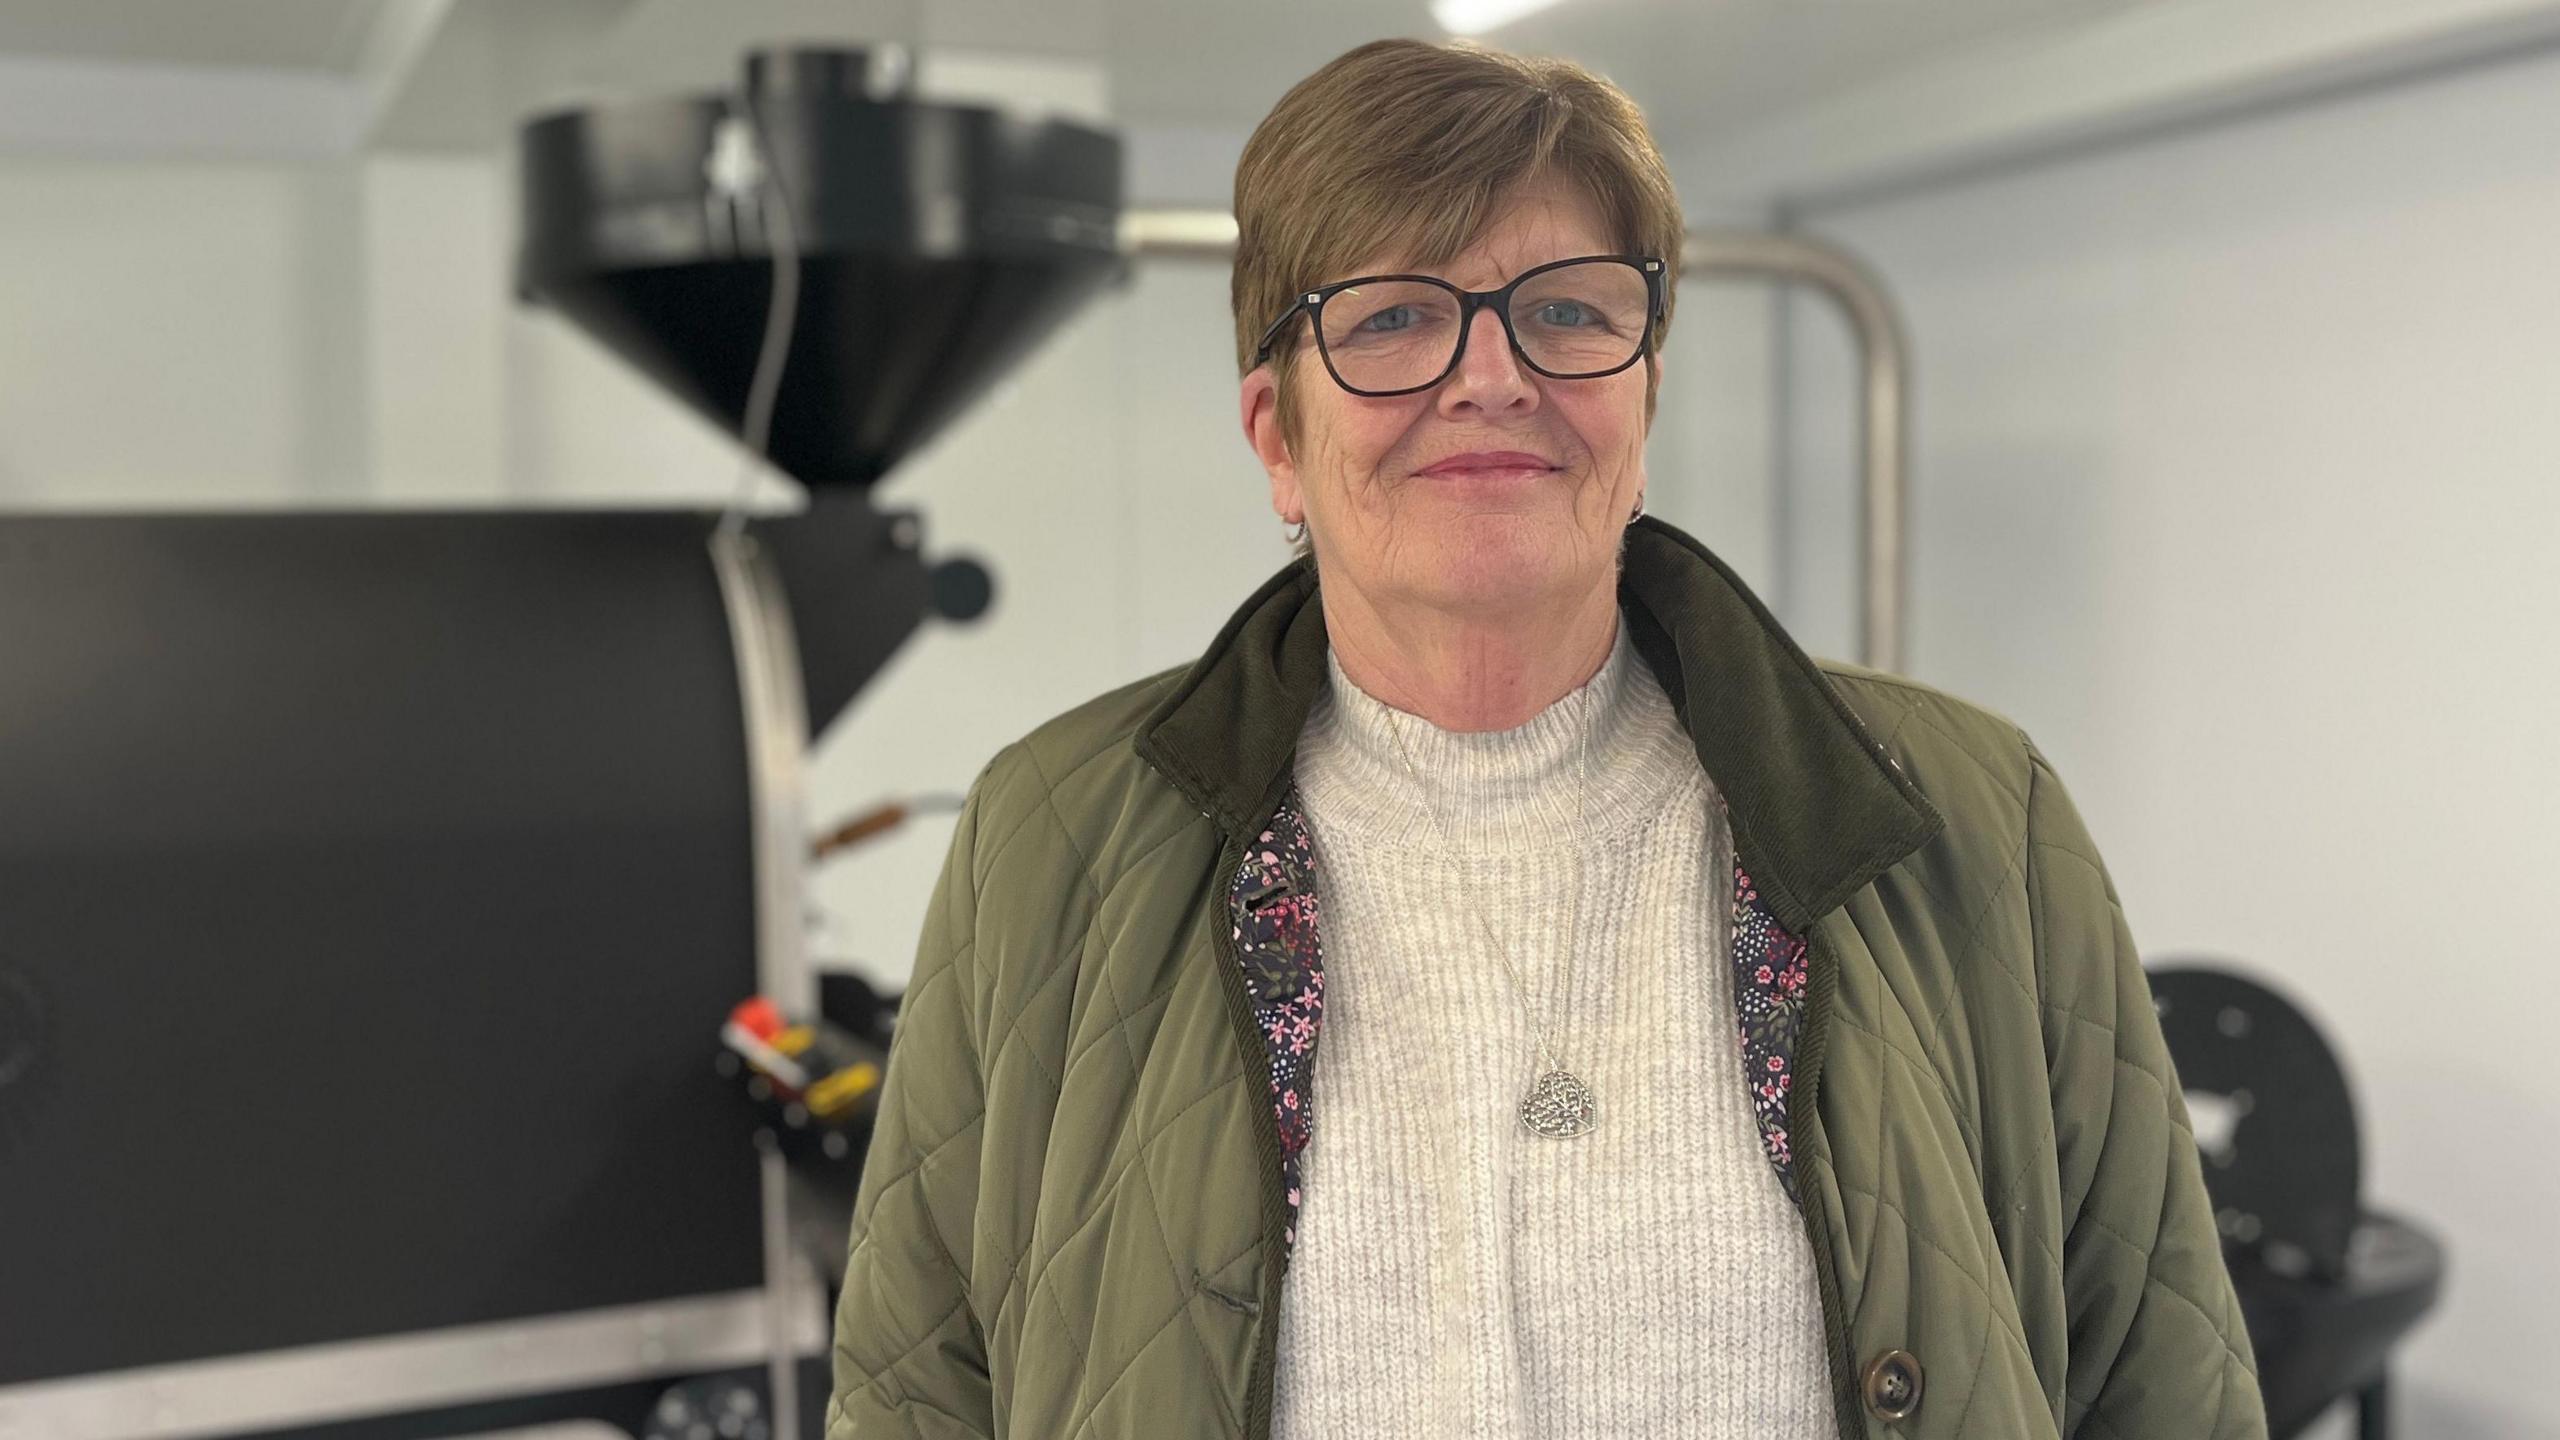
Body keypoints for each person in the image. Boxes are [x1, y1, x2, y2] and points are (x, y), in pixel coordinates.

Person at [827, 36, 2266, 1440]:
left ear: (1642, 398)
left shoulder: (1975, 817)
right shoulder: (1057, 835)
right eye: (1390, 316)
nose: (1491, 374)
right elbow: (915, 1389)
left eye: (1567, 312)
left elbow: (2165, 1383)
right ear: (1276, 436)